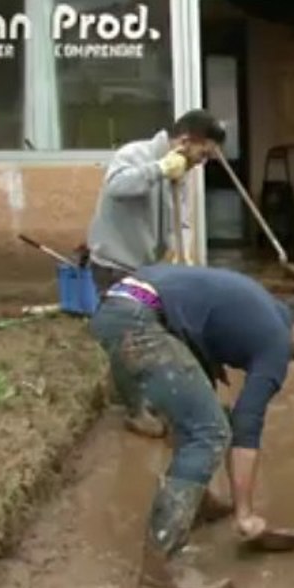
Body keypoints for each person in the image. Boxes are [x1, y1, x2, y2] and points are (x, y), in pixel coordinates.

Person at [88, 263, 294, 588]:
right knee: (210, 432)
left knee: (200, 417)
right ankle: (160, 567)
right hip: (139, 320)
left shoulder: (256, 310)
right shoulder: (276, 339)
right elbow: (248, 423)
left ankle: (199, 503)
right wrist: (245, 514)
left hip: (123, 306)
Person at [85, 109, 227, 439]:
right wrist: (159, 169)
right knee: (126, 339)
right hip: (114, 263)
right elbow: (118, 187)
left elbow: (183, 220)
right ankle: (134, 410)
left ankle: (152, 397)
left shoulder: (181, 171)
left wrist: (185, 258)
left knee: (155, 333)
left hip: (147, 268)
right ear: (185, 141)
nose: (202, 163)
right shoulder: (135, 155)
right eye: (202, 154)